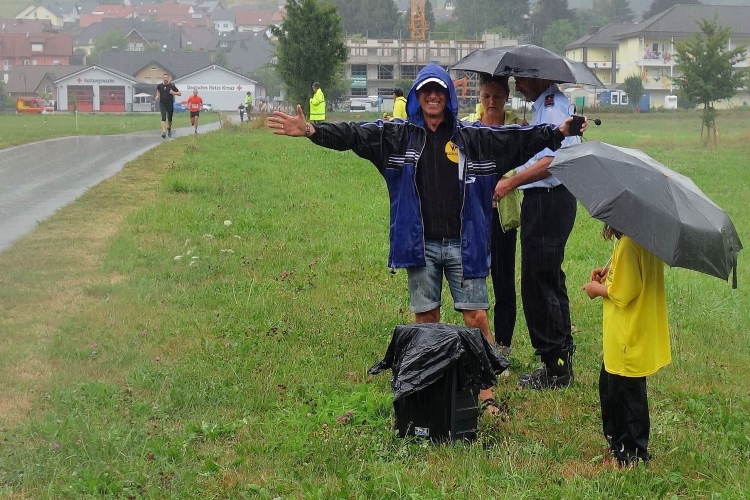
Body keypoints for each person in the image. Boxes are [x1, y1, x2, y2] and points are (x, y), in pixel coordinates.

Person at [268, 63, 585, 415]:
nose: (433, 96)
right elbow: (355, 135)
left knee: (476, 318)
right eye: (426, 91)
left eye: (439, 91)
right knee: (427, 319)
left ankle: (486, 395)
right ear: (417, 97)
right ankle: (431, 390)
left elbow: (517, 139)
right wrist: (312, 130)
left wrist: (558, 132)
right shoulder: (396, 136)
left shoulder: (472, 137)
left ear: (448, 97)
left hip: (464, 244)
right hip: (420, 246)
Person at [493, 76, 580, 390]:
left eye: (522, 79)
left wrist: (511, 182)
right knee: (549, 277)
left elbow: (552, 161)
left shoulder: (552, 107)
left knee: (538, 282)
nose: (517, 85)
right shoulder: (547, 107)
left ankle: (554, 368)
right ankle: (560, 359)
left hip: (547, 199)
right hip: (549, 200)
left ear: (540, 76)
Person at [582, 224, 670, 466]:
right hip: (635, 334)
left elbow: (626, 290)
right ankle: (623, 446)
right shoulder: (646, 239)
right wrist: (609, 274)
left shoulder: (629, 244)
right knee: (618, 388)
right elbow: (631, 275)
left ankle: (630, 452)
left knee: (624, 396)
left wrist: (598, 289)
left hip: (626, 338)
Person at [473, 74, 527, 360]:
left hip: (503, 217)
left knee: (504, 282)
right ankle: (479, 341)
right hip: (474, 217)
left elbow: (525, 168)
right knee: (473, 279)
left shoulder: (518, 128)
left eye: (497, 96)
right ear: (479, 97)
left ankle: (503, 346)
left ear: (506, 97)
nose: (491, 102)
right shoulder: (469, 126)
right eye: (486, 96)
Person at [155, 73, 181, 138]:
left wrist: (173, 92)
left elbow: (179, 93)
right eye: (164, 78)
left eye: (166, 78)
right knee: (163, 117)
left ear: (168, 78)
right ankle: (164, 132)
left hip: (169, 104)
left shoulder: (171, 86)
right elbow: (158, 92)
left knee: (169, 118)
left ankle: (169, 128)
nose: (165, 79)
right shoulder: (159, 86)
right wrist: (157, 96)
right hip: (162, 103)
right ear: (162, 78)